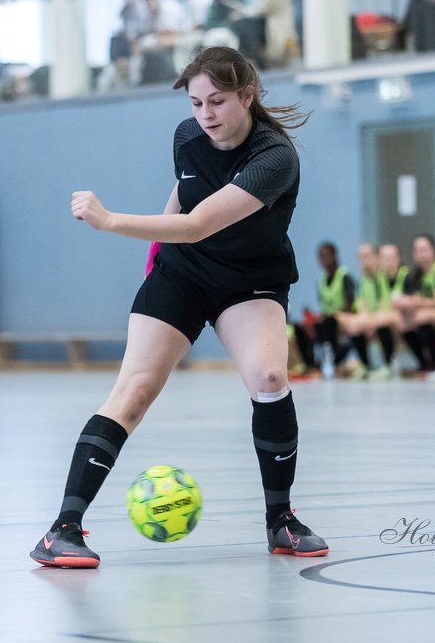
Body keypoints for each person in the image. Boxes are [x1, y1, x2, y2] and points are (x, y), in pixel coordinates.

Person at [30, 46, 328, 568]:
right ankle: (62, 530)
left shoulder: (274, 157)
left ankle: (280, 520)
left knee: (269, 378)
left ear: (247, 97)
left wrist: (109, 220)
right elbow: (183, 197)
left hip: (250, 281)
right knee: (135, 390)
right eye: (196, 103)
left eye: (217, 101)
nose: (205, 115)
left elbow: (198, 225)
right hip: (184, 275)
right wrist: (154, 267)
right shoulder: (187, 135)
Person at [336, 243, 400, 379]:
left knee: (381, 323)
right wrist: (365, 318)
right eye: (361, 257)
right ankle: (366, 365)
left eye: (367, 256)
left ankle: (389, 364)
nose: (364, 260)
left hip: (388, 315)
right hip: (371, 318)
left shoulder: (383, 275)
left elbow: (385, 301)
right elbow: (361, 303)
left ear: (376, 257)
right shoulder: (363, 279)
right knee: (353, 327)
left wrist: (372, 320)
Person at [395, 234, 435, 374]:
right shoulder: (415, 274)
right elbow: (411, 298)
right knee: (402, 323)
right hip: (425, 312)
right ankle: (424, 363)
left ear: (434, 250)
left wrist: (417, 302)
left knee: (421, 318)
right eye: (417, 250)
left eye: (424, 249)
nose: (421, 253)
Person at [311, 241, 356, 378]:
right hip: (328, 317)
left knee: (328, 322)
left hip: (344, 317)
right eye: (320, 256)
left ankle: (331, 357)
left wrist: (335, 314)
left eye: (326, 255)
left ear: (334, 255)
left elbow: (350, 302)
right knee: (310, 325)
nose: (323, 259)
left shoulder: (344, 276)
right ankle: (313, 363)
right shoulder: (321, 279)